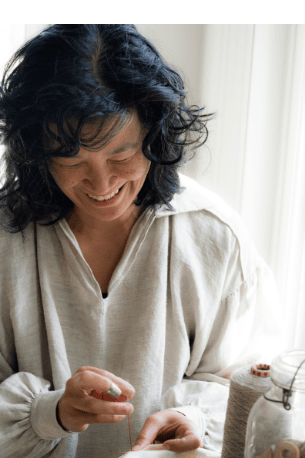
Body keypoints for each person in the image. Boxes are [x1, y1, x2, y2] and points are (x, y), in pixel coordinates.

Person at [0, 24, 281, 458]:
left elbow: (246, 382)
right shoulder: (6, 240)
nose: (102, 183)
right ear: (37, 152)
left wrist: (195, 419)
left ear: (153, 135)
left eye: (121, 156)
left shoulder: (213, 236)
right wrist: (49, 412)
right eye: (71, 160)